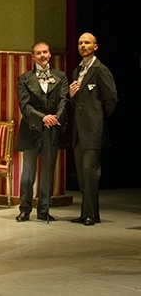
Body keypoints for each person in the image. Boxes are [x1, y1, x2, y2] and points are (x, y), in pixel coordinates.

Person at [15, 42, 69, 222]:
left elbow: (64, 100)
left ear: (50, 54)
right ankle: (24, 209)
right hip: (32, 129)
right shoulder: (24, 78)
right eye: (39, 53)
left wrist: (55, 118)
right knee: (28, 171)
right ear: (33, 57)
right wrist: (42, 118)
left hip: (52, 129)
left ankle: (44, 210)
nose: (42, 55)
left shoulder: (60, 76)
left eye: (45, 52)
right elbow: (25, 106)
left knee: (47, 171)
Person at [68, 32, 117, 226]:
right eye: (80, 43)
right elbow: (76, 102)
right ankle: (88, 213)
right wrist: (72, 96)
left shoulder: (100, 70)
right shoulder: (77, 71)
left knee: (90, 171)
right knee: (82, 174)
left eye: (87, 43)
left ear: (95, 47)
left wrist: (98, 117)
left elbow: (111, 98)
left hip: (93, 131)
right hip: (79, 132)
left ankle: (90, 214)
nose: (83, 46)